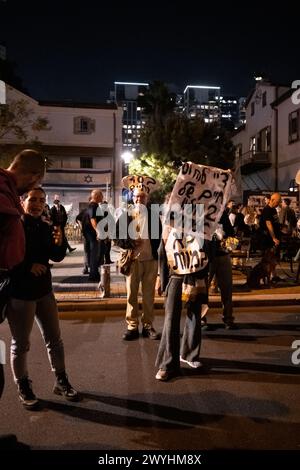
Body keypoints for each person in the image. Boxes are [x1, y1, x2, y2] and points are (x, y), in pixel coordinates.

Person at [6, 187, 78, 409]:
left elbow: (55, 257)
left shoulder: (45, 226)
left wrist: (59, 240)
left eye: (40, 200)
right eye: (32, 199)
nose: (36, 204)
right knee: (20, 344)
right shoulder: (13, 227)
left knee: (55, 340)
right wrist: (28, 266)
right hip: (20, 295)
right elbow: (5, 261)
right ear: (22, 201)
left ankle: (61, 380)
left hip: (44, 292)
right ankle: (23, 385)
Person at [155, 225, 209, 381]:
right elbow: (162, 250)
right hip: (176, 276)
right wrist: (161, 277)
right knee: (171, 319)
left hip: (196, 275)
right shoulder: (170, 222)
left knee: (195, 315)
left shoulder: (202, 219)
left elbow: (209, 249)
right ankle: (168, 364)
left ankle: (190, 354)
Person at [115, 187, 161, 340]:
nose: (139, 199)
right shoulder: (126, 216)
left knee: (149, 296)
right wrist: (130, 242)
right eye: (136, 197)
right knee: (131, 295)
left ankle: (148, 326)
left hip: (151, 261)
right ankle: (132, 326)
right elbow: (116, 237)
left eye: (142, 197)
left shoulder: (154, 215)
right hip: (133, 261)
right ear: (132, 198)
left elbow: (160, 239)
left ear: (147, 199)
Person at [205, 210, 236, 330]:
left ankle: (228, 318)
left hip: (222, 255)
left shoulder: (222, 214)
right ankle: (202, 318)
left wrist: (228, 245)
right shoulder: (201, 213)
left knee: (227, 289)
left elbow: (231, 234)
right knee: (203, 290)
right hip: (207, 257)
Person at [259, 192, 282, 281]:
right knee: (269, 258)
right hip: (269, 239)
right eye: (278, 201)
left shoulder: (274, 209)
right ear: (272, 200)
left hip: (275, 237)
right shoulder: (267, 210)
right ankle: (268, 277)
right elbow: (268, 224)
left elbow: (275, 222)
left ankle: (274, 275)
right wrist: (273, 238)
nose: (278, 203)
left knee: (274, 258)